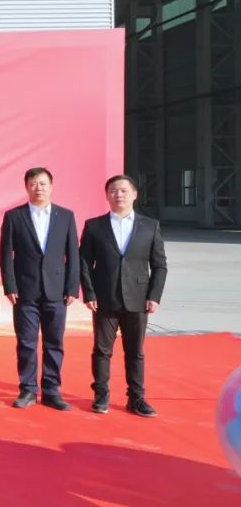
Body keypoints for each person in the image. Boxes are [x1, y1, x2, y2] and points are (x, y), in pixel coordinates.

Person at [79, 175, 167, 417]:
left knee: (135, 351)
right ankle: (101, 395)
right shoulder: (94, 226)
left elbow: (159, 265)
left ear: (134, 195)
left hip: (138, 298)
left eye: (124, 191)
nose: (119, 195)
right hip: (104, 298)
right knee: (102, 350)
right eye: (113, 191)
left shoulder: (150, 226)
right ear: (107, 195)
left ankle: (136, 398)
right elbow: (84, 262)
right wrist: (89, 292)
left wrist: (154, 296)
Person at [0, 167, 80, 410]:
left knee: (54, 342)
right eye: (33, 183)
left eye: (43, 183)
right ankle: (27, 390)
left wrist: (72, 287)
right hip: (25, 290)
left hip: (57, 290)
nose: (38, 188)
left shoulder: (65, 216)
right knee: (26, 343)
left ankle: (51, 390)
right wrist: (10, 285)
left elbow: (73, 254)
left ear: (51, 186)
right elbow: (6, 254)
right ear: (26, 187)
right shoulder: (14, 216)